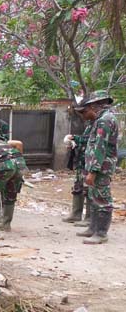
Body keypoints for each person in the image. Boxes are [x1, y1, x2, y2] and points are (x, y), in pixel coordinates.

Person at [72, 90, 118, 244]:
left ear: (93, 107)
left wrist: (93, 171)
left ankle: (101, 233)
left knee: (102, 200)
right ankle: (93, 228)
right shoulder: (100, 120)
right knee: (93, 197)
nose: (83, 116)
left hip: (101, 168)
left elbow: (100, 147)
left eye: (84, 112)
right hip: (96, 166)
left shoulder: (104, 120)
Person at [62, 117, 92, 226]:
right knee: (78, 187)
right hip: (82, 161)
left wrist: (75, 138)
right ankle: (76, 214)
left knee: (89, 189)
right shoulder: (90, 123)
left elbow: (91, 139)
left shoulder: (101, 122)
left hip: (91, 162)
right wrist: (74, 144)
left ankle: (89, 218)